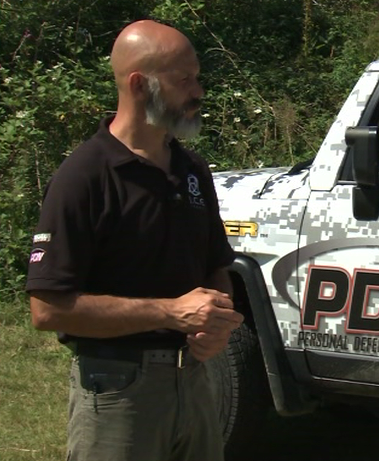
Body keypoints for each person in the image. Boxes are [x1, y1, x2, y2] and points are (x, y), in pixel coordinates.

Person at [26, 20, 244, 461]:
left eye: (197, 76)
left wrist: (215, 325)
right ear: (140, 84)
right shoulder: (84, 177)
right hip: (118, 390)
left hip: (197, 382)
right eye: (184, 80)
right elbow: (47, 309)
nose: (198, 91)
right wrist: (170, 312)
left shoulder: (191, 170)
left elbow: (215, 267)